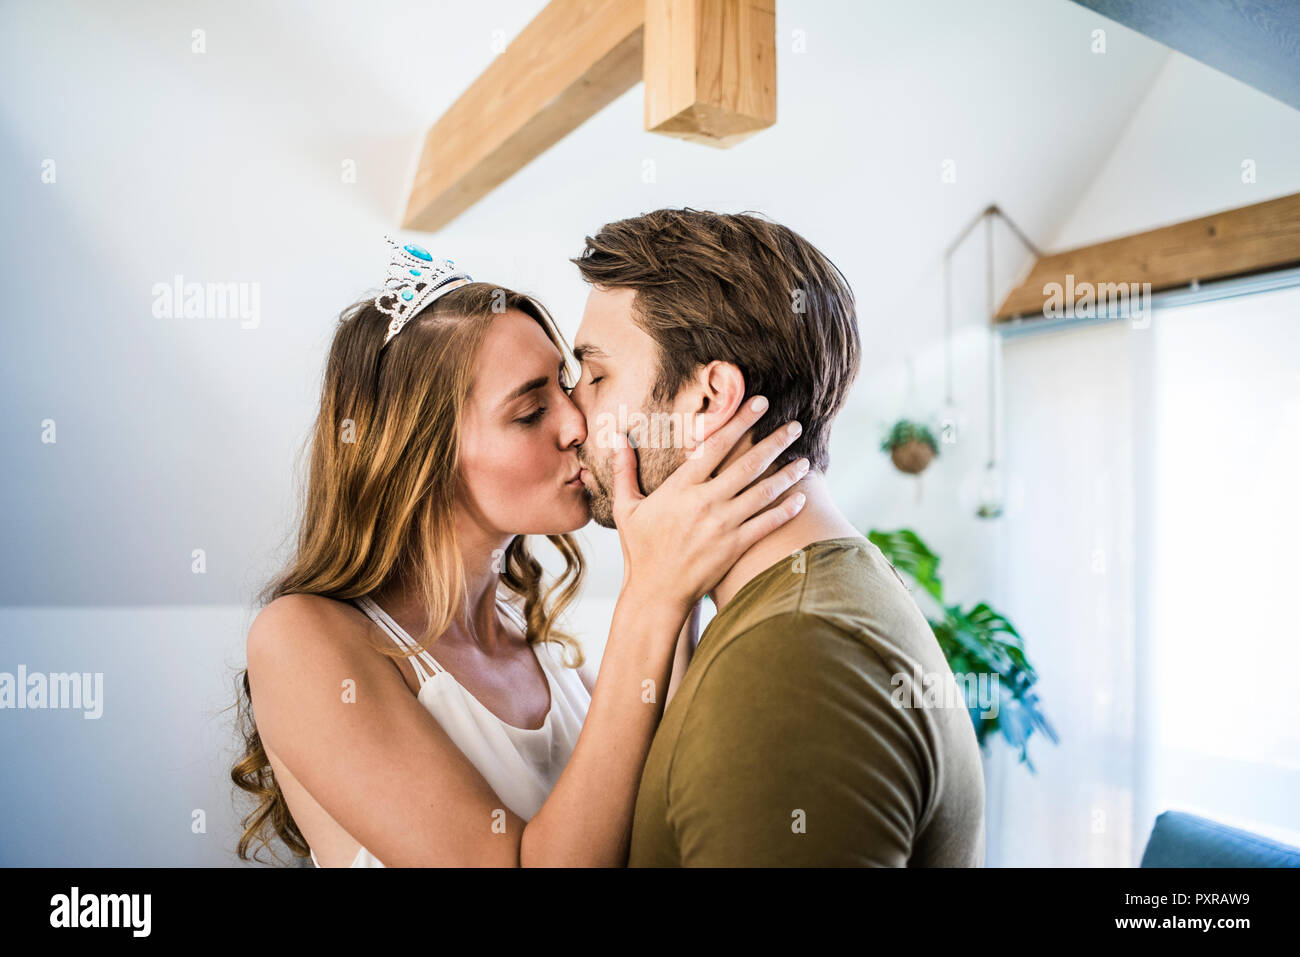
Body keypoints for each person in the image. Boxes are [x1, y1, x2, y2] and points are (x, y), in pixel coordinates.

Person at [229, 239, 808, 867]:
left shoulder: (547, 657)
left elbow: (663, 809)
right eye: (531, 412)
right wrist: (654, 594)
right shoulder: (302, 639)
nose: (578, 424)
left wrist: (683, 566)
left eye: (568, 386)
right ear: (420, 453)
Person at [566, 208, 987, 866]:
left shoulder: (792, 662)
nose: (572, 416)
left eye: (596, 377)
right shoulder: (810, 604)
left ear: (708, 399)